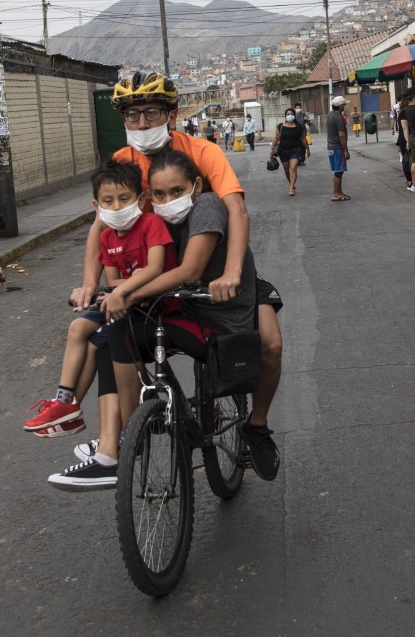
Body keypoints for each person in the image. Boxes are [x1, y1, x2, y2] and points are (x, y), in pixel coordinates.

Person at [68, 71, 283, 482]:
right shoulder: (122, 161)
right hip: (159, 276)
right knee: (112, 334)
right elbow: (102, 226)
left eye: (151, 113)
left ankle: (256, 426)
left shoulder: (202, 151)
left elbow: (236, 210)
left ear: (172, 113)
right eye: (132, 116)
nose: (141, 123)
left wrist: (233, 272)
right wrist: (91, 284)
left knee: (269, 343)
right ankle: (126, 427)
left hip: (216, 265)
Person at [29, 160, 174, 446]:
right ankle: (64, 401)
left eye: (124, 199)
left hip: (146, 305)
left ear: (140, 199)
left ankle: (75, 412)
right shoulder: (106, 237)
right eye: (109, 201)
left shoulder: (151, 224)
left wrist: (125, 288)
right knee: (77, 328)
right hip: (118, 301)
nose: (117, 207)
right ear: (97, 206)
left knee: (96, 345)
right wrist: (125, 284)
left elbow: (155, 269)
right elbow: (112, 280)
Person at [270, 107, 308, 196]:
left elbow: (303, 139)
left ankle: (291, 188)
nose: (290, 115)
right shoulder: (280, 126)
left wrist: (307, 149)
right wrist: (272, 148)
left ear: (294, 116)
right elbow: (276, 138)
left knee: (293, 168)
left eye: (291, 114)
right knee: (287, 171)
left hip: (295, 150)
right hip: (283, 151)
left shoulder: (298, 127)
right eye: (288, 114)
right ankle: (292, 184)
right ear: (285, 116)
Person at [326, 96, 350, 201]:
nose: (344, 106)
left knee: (339, 170)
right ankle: (336, 193)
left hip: (331, 146)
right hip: (337, 147)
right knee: (338, 171)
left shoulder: (330, 115)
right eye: (344, 104)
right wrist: (346, 150)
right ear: (340, 106)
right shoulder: (339, 117)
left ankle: (339, 192)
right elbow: (342, 135)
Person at [395, 89, 414, 189]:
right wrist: (408, 141)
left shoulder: (402, 113)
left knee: (407, 160)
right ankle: (410, 181)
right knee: (408, 160)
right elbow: (405, 128)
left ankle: (411, 181)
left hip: (403, 139)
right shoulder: (404, 113)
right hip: (405, 139)